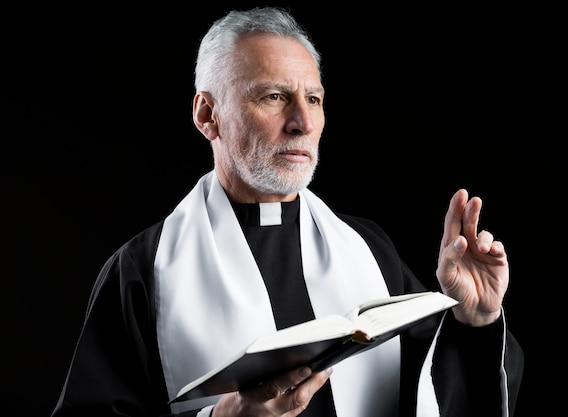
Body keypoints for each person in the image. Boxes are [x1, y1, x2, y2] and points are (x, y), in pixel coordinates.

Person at [51, 6, 523, 417]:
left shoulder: (366, 248)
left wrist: (475, 320)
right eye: (274, 96)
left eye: (313, 99)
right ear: (206, 115)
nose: (301, 123)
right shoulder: (143, 271)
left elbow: (438, 393)